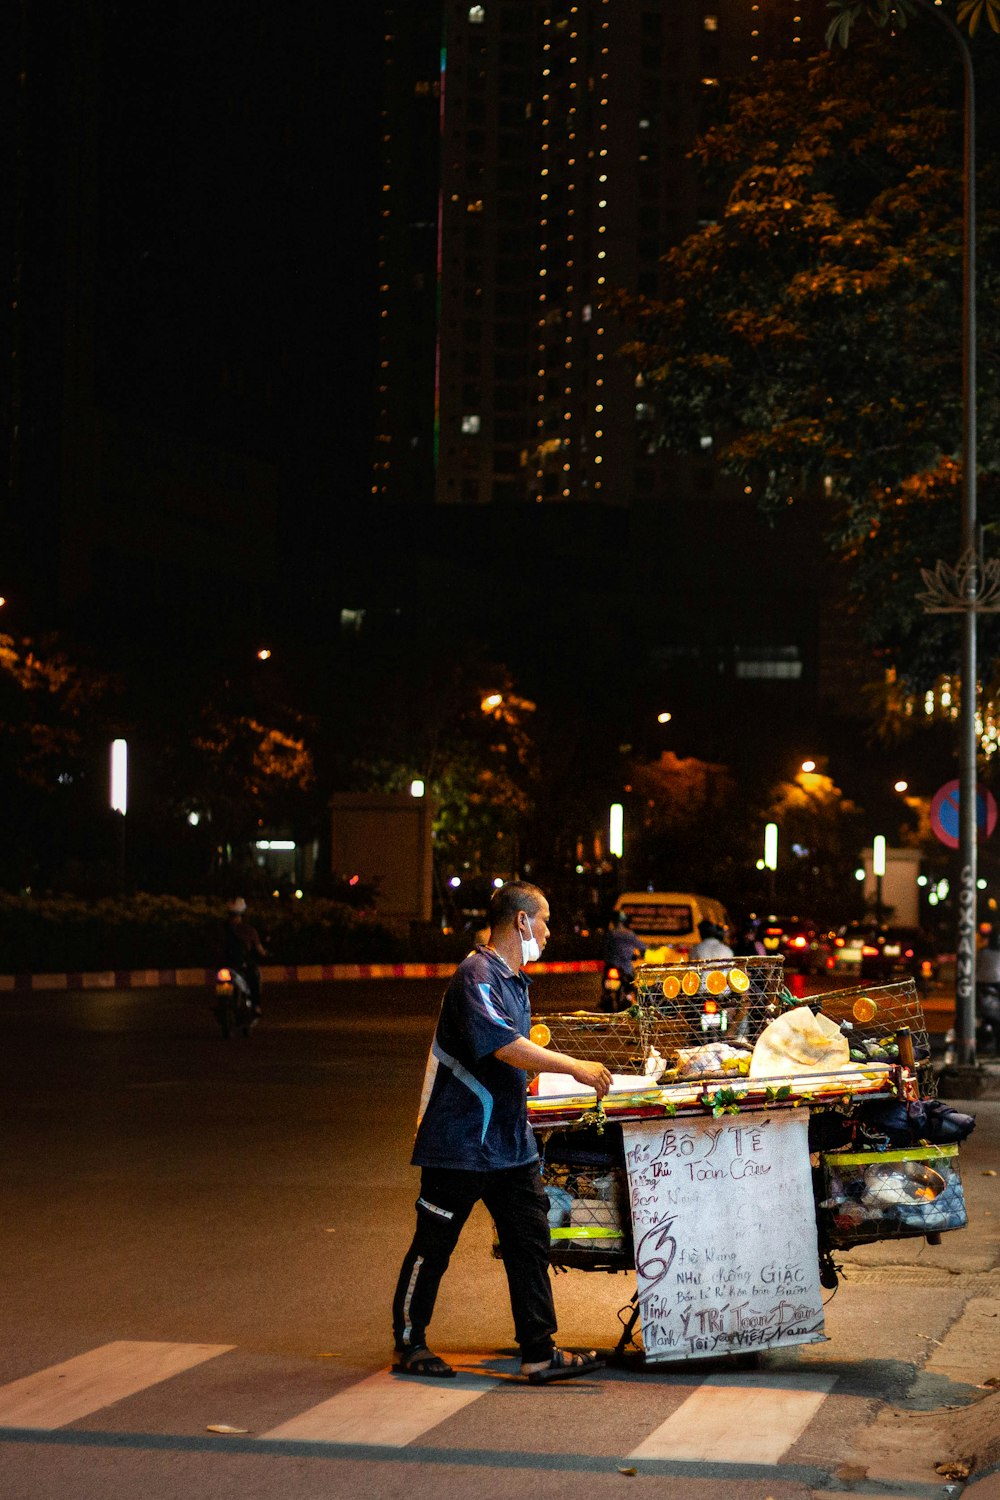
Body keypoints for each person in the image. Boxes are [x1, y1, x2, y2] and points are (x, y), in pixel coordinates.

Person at [391, 880, 612, 1384]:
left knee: (529, 1242)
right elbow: (503, 1045)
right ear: (521, 921)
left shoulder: (514, 981)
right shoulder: (477, 975)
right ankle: (410, 1343)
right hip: (460, 1143)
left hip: (510, 1145)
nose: (550, 932)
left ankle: (538, 1351)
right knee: (433, 1246)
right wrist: (574, 1066)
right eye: (547, 920)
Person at [220, 897, 267, 1014]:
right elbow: (259, 949)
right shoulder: (249, 930)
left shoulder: (222, 929)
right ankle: (256, 1005)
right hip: (242, 965)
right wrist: (266, 954)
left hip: (225, 965)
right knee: (255, 978)